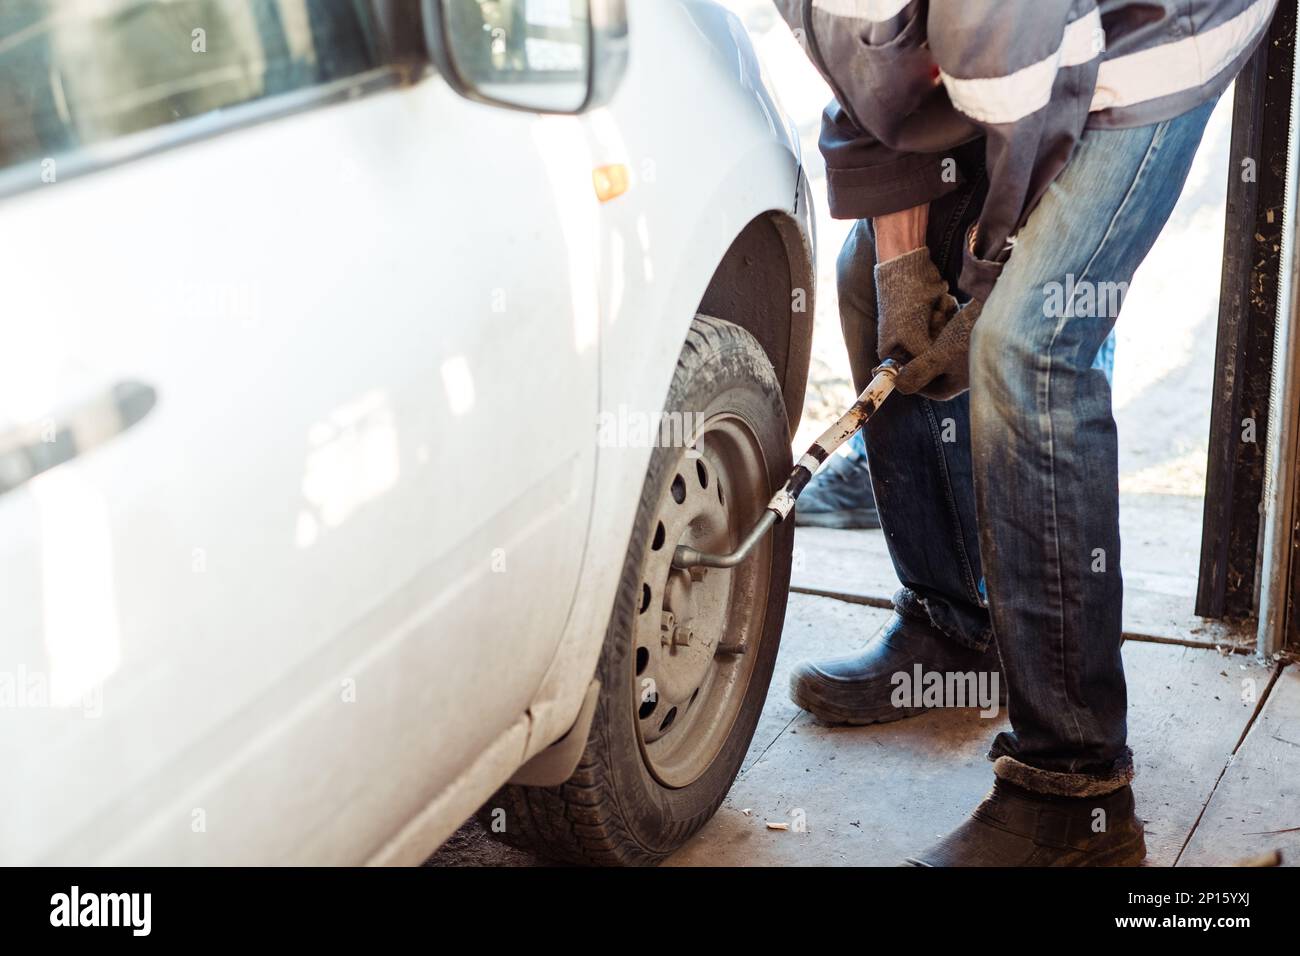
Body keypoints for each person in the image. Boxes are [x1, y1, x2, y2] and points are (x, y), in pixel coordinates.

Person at [776, 0, 1276, 866]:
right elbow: (865, 85)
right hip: (1022, 46)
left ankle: (1073, 790)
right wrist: (903, 277)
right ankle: (957, 628)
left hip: (1147, 37)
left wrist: (979, 284)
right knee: (867, 274)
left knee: (1029, 341)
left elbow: (1037, 109)